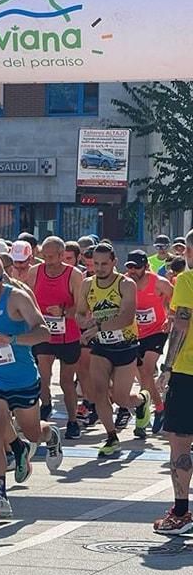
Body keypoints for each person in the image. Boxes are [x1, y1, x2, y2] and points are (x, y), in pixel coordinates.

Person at [0, 252, 63, 517]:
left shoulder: (16, 297)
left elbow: (43, 331)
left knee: (32, 433)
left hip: (23, 379)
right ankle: (0, 497)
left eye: (0, 278)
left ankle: (49, 436)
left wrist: (12, 339)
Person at [76, 243, 152, 457]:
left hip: (125, 345)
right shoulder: (87, 284)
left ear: (113, 263)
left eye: (104, 264)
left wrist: (96, 326)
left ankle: (142, 401)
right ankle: (111, 437)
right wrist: (85, 323)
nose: (99, 268)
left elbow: (127, 317)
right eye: (95, 264)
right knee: (98, 392)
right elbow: (80, 313)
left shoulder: (125, 284)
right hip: (101, 346)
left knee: (121, 398)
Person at [153, 229, 193, 535]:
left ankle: (181, 512)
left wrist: (166, 367)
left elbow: (181, 322)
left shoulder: (187, 281)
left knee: (180, 441)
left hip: (187, 371)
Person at [27, 236, 84, 439]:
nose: (48, 261)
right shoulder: (36, 272)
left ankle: (72, 420)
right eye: (45, 256)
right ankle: (46, 403)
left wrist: (62, 311)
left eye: (52, 257)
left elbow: (82, 308)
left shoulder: (74, 275)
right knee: (43, 374)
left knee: (67, 382)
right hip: (44, 333)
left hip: (68, 335)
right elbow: (27, 299)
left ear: (62, 255)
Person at [125, 249, 172, 435]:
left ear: (145, 266)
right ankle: (158, 408)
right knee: (143, 376)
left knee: (146, 370)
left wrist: (171, 316)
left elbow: (176, 298)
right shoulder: (124, 282)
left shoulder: (159, 283)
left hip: (157, 331)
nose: (133, 271)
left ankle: (144, 417)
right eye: (129, 267)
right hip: (135, 333)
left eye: (136, 267)